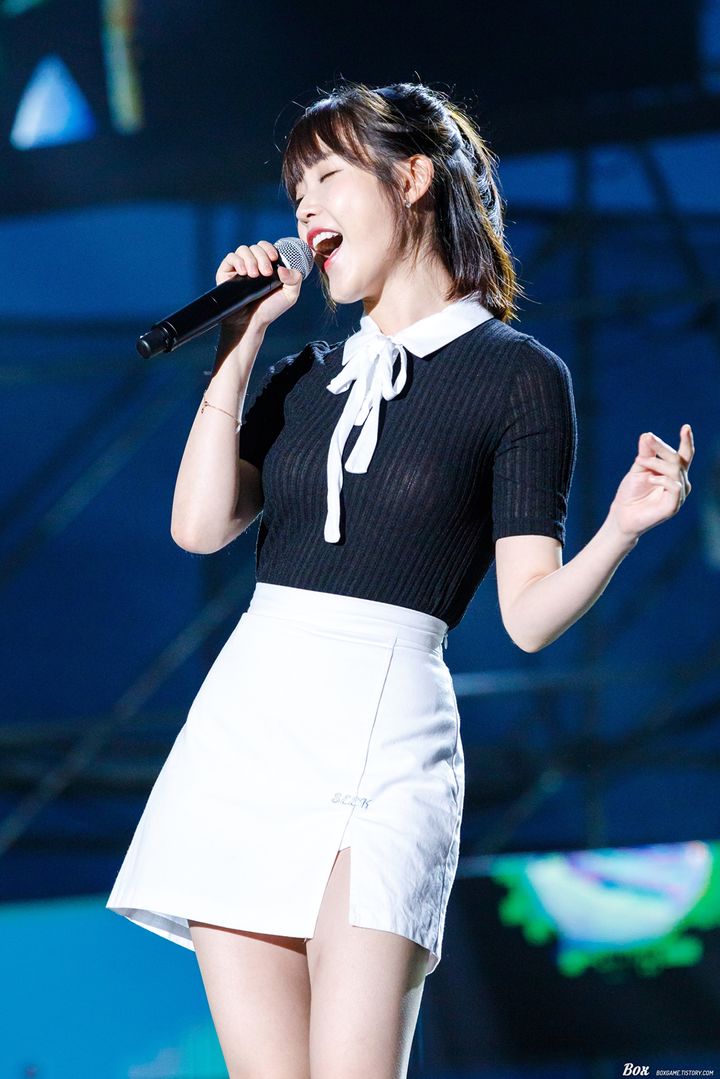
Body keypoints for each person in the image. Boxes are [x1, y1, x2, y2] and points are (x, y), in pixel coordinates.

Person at [106, 81, 695, 1078]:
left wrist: (621, 530)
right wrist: (240, 346)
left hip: (388, 745)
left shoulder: (519, 375)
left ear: (412, 178)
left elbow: (528, 614)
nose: (306, 209)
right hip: (249, 733)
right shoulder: (303, 372)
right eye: (296, 194)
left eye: (328, 177)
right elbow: (199, 525)